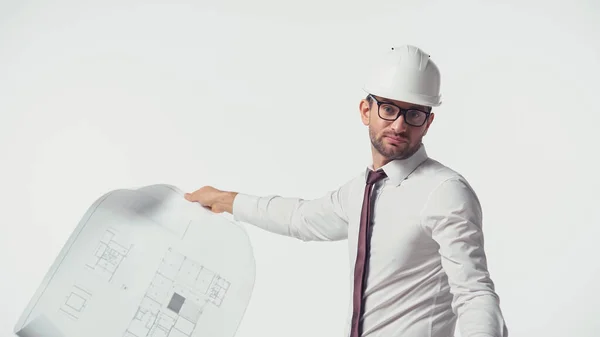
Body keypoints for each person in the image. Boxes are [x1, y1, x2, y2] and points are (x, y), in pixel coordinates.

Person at [185, 44, 509, 337]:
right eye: (389, 108)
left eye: (413, 113)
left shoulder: (444, 191)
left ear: (428, 122)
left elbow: (475, 293)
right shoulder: (361, 191)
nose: (399, 125)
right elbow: (300, 217)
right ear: (366, 111)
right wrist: (225, 199)